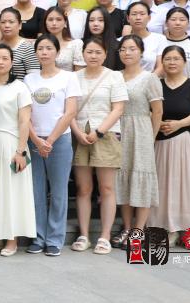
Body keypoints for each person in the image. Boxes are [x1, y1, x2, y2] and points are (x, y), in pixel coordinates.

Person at [23, 35, 82, 255]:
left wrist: (49, 140)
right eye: (40, 48)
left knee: (58, 191)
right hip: (34, 140)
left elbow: (70, 112)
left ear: (57, 52)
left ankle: (55, 239)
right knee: (36, 191)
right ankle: (38, 237)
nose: (44, 52)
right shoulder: (29, 79)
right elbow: (25, 114)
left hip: (59, 140)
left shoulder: (68, 77)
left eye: (49, 48)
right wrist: (36, 139)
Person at [149, 46, 190, 250]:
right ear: (162, 62)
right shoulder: (156, 85)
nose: (172, 62)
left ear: (185, 62)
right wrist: (158, 124)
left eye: (176, 58)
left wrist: (179, 124)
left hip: (187, 143)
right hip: (161, 143)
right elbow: (147, 111)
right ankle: (168, 230)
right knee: (164, 188)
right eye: (168, 59)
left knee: (189, 187)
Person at [0, 45, 36, 256]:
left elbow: (24, 121)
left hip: (12, 143)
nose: (0, 62)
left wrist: (20, 151)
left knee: (11, 191)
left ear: (11, 62)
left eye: (5, 58)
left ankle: (11, 239)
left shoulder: (20, 88)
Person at [69, 38, 127, 255]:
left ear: (105, 54)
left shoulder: (114, 76)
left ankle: (104, 236)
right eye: (89, 52)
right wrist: (77, 132)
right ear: (83, 54)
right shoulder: (74, 77)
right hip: (80, 133)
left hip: (107, 133)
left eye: (98, 52)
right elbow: (69, 109)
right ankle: (84, 235)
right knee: (83, 188)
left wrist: (99, 131)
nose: (93, 56)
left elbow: (118, 108)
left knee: (107, 188)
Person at [112, 35, 164, 249]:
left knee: (141, 178)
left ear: (141, 52)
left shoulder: (149, 78)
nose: (127, 52)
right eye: (123, 49)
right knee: (123, 179)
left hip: (141, 130)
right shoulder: (115, 76)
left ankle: (138, 231)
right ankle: (126, 228)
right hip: (118, 131)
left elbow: (157, 111)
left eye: (132, 48)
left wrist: (151, 137)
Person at [161, 7, 190, 76]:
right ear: (166, 23)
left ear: (188, 23)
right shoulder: (159, 42)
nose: (177, 23)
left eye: (182, 20)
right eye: (173, 19)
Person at [125, 2, 168, 74]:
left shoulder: (160, 39)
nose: (138, 18)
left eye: (142, 14)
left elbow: (161, 67)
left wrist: (147, 80)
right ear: (128, 18)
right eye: (134, 14)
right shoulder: (120, 41)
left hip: (151, 79)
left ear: (149, 18)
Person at [0, 8, 39, 78]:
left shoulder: (27, 47)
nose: (7, 25)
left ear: (20, 25)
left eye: (11, 22)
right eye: (3, 22)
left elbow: (34, 77)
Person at [43, 7, 85, 72]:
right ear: (45, 23)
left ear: (65, 23)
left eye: (58, 19)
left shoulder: (76, 44)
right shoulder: (39, 45)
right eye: (50, 20)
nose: (54, 23)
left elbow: (79, 73)